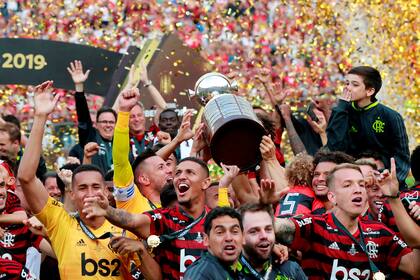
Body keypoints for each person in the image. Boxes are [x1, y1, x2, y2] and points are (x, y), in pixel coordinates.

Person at [17, 81, 133, 279]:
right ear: (71, 192)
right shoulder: (60, 223)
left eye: (96, 186)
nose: (89, 194)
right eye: (82, 188)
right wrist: (40, 116)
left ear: (106, 191)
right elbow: (26, 177)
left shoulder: (126, 229)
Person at [272, 163, 420, 279]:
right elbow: (272, 227)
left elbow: (415, 268)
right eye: (347, 185)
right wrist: (264, 205)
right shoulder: (314, 225)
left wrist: (394, 198)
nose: (358, 190)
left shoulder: (379, 233)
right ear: (332, 197)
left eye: (361, 185)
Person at [83, 157, 213, 279]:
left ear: (206, 182)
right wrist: (108, 211)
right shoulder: (164, 218)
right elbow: (132, 220)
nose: (181, 177)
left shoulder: (217, 220)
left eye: (190, 172)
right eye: (178, 173)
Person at [327, 66, 410, 188]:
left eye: (354, 85)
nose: (348, 88)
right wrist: (341, 108)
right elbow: (335, 148)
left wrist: (390, 181)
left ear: (370, 91)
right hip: (352, 181)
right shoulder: (341, 112)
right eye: (347, 83)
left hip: (384, 181)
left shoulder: (390, 116)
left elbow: (402, 155)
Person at [67, 60, 116, 173]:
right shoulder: (91, 137)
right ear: (96, 124)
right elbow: (83, 117)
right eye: (104, 122)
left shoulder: (122, 141)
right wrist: (79, 87)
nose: (108, 125)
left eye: (111, 122)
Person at [239, 203, 307, 280]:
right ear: (240, 236)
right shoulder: (227, 273)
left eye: (268, 229)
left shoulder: (292, 271)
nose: (264, 236)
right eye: (254, 231)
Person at [184, 207, 243, 280]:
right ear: (206, 239)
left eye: (234, 231)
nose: (229, 238)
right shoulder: (199, 275)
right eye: (220, 232)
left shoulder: (241, 271)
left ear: (243, 237)